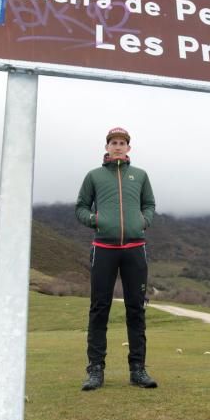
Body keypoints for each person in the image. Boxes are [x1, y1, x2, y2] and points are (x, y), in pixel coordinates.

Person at [75, 127, 157, 391]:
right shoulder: (94, 176)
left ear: (128, 148)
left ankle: (138, 370)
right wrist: (95, 220)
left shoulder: (141, 176)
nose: (118, 146)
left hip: (135, 248)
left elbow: (150, 205)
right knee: (100, 309)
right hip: (104, 248)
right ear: (107, 147)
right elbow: (80, 207)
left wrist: (144, 221)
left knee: (136, 309)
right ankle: (95, 371)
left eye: (122, 143)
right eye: (114, 142)